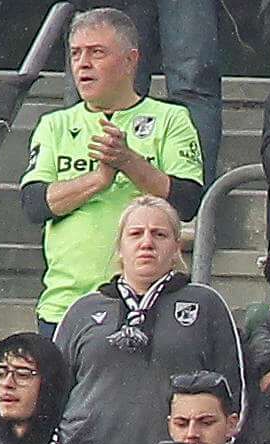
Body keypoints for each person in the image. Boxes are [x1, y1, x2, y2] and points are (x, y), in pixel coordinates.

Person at [27, 11, 210, 326]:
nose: (83, 63)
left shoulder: (172, 119)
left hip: (151, 302)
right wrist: (99, 179)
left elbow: (187, 200)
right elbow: (34, 205)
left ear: (130, 60)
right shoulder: (54, 125)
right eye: (75, 54)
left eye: (96, 52)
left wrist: (128, 162)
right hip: (67, 306)